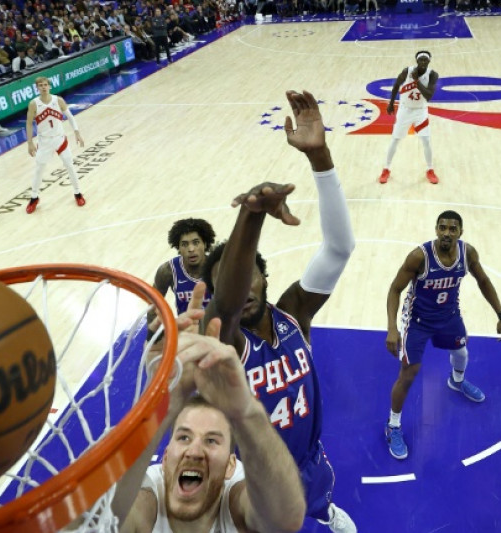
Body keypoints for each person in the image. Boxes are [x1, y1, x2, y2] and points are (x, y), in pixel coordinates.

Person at [202, 90, 357, 532]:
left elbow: (339, 249)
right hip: (255, 481)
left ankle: (325, 511)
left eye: (251, 273)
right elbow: (227, 305)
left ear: (265, 277)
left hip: (309, 460)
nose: (243, 288)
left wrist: (321, 159)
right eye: (228, 282)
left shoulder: (293, 314)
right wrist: (251, 217)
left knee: (320, 502)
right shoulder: (227, 338)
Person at [113, 293, 306, 533]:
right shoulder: (147, 501)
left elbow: (285, 520)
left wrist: (246, 411)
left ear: (230, 466)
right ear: (164, 458)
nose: (194, 452)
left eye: (212, 440)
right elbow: (97, 523)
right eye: (183, 437)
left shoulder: (235, 501)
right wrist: (160, 404)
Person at [383, 210, 501, 460]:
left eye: (453, 229)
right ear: (436, 230)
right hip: (418, 321)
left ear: (460, 232)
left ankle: (457, 381)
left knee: (462, 352)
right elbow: (395, 289)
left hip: (449, 316)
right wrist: (391, 327)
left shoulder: (468, 253)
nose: (447, 233)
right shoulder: (419, 257)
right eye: (442, 228)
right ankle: (393, 425)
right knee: (408, 373)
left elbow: (483, 281)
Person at [24, 77, 86, 214]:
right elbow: (28, 123)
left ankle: (78, 193)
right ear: (37, 88)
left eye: (45, 85)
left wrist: (77, 132)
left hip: (60, 139)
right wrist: (30, 142)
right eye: (40, 85)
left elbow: (70, 116)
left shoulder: (58, 100)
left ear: (49, 86)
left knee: (70, 165)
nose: (43, 87)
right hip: (44, 141)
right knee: (39, 169)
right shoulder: (33, 104)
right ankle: (34, 197)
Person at [378, 51, 440, 185]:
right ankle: (386, 169)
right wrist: (390, 103)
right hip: (404, 110)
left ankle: (430, 170)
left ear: (429, 61)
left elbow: (428, 96)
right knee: (395, 139)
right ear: (417, 61)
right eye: (421, 60)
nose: (423, 62)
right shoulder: (407, 71)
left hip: (420, 111)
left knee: (426, 140)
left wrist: (417, 82)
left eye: (425, 60)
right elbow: (396, 85)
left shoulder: (433, 75)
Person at [153, 218, 216, 314]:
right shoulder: (167, 271)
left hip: (218, 327)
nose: (191, 249)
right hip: (186, 327)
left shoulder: (218, 268)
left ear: (205, 244)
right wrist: (157, 329)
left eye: (196, 242)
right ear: (178, 248)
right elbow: (153, 306)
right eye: (184, 244)